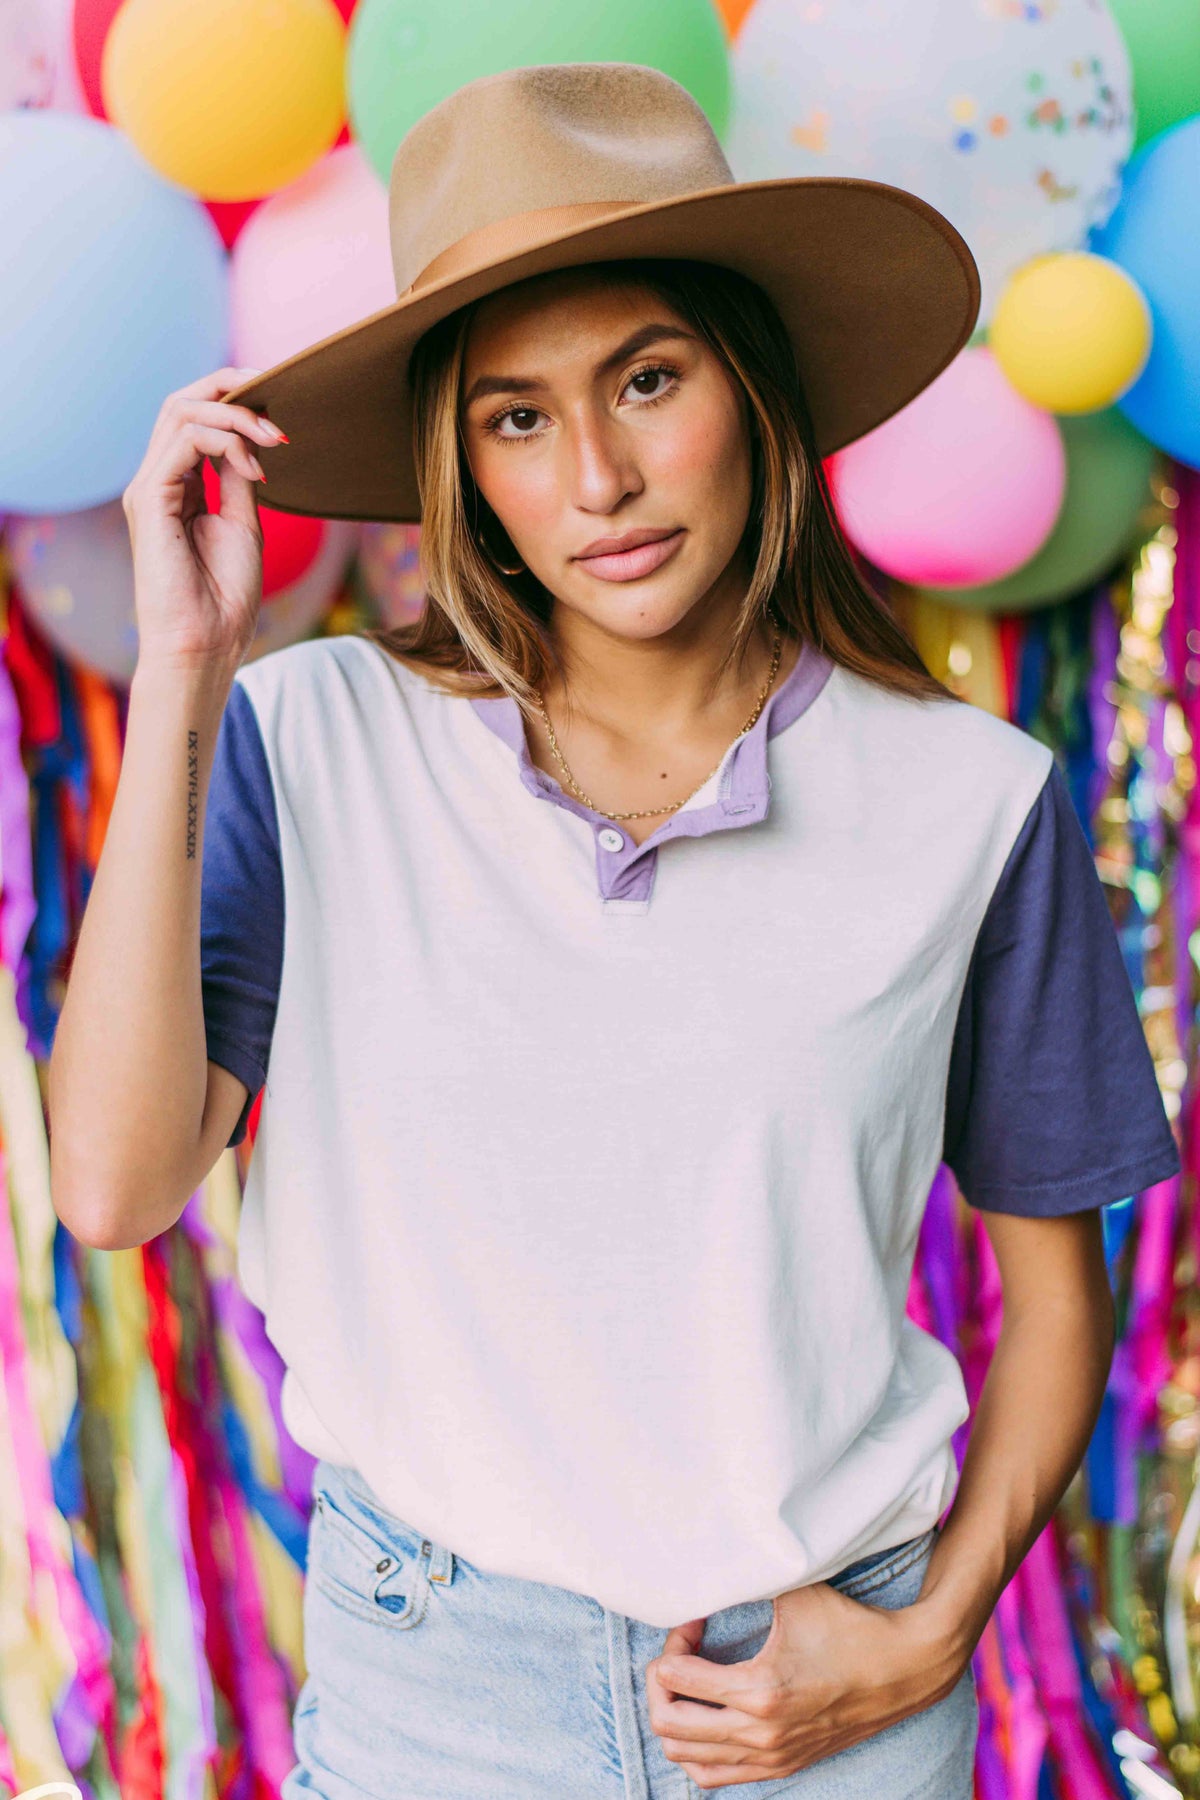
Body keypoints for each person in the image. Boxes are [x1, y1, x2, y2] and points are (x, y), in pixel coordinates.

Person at [48, 61, 1180, 1800]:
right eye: (516, 418)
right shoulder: (308, 742)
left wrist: (933, 1633)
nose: (597, 476)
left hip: (833, 1695)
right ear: (461, 465)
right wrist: (190, 665)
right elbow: (114, 1189)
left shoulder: (974, 805)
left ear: (752, 386)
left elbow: (1057, 1302)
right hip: (434, 1695)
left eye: (648, 380)